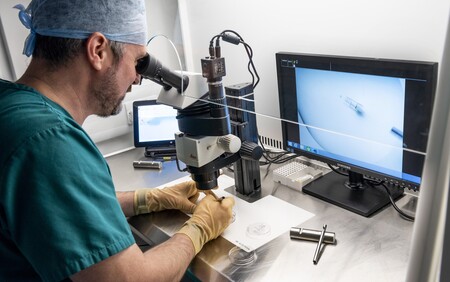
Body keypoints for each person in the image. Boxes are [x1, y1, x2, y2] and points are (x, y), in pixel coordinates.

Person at [0, 0, 235, 281]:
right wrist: (200, 228)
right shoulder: (49, 142)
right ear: (98, 50)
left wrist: (146, 199)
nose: (137, 78)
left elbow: (57, 207)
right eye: (137, 62)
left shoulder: (12, 105)